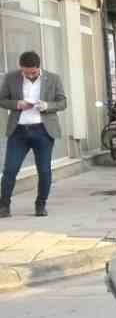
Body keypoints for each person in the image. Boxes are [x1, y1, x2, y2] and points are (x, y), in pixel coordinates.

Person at [1, 50, 68, 218]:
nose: (29, 75)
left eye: (33, 72)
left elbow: (63, 102)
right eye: (26, 72)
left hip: (43, 131)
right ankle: (4, 206)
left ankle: (40, 204)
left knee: (44, 170)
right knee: (10, 170)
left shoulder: (53, 78)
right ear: (20, 67)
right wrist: (17, 104)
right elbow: (1, 100)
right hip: (19, 131)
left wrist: (47, 105)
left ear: (39, 67)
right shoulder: (11, 78)